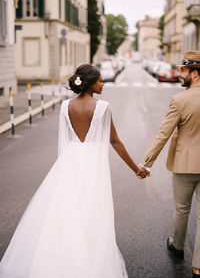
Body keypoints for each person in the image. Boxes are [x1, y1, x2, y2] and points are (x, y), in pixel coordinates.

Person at [0, 64, 149, 278]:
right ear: (89, 84)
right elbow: (115, 141)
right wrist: (137, 169)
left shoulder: (65, 107)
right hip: (92, 166)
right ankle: (87, 260)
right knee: (92, 212)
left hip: (69, 163)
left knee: (66, 211)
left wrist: (64, 168)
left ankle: (63, 257)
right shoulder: (102, 107)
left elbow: (65, 139)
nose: (103, 83)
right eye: (99, 80)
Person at [140, 51, 200, 277]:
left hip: (184, 166)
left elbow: (163, 134)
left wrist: (146, 163)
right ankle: (197, 267)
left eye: (183, 70)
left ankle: (177, 247)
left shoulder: (180, 100)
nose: (179, 74)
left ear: (194, 74)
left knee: (182, 209)